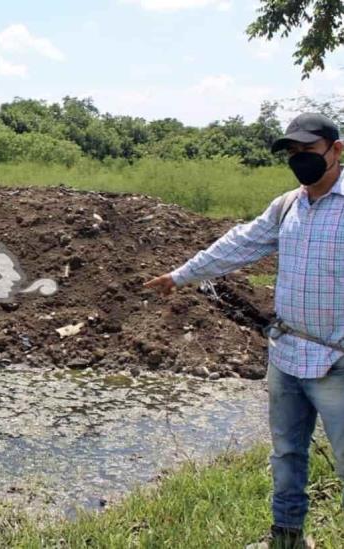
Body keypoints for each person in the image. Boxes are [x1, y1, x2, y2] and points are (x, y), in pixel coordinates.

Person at [144, 112, 344, 549]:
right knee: (287, 454)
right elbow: (239, 243)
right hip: (288, 356)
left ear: (336, 150)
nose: (299, 160)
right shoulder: (287, 206)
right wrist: (181, 275)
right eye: (292, 153)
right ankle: (287, 540)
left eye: (307, 151)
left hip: (337, 363)